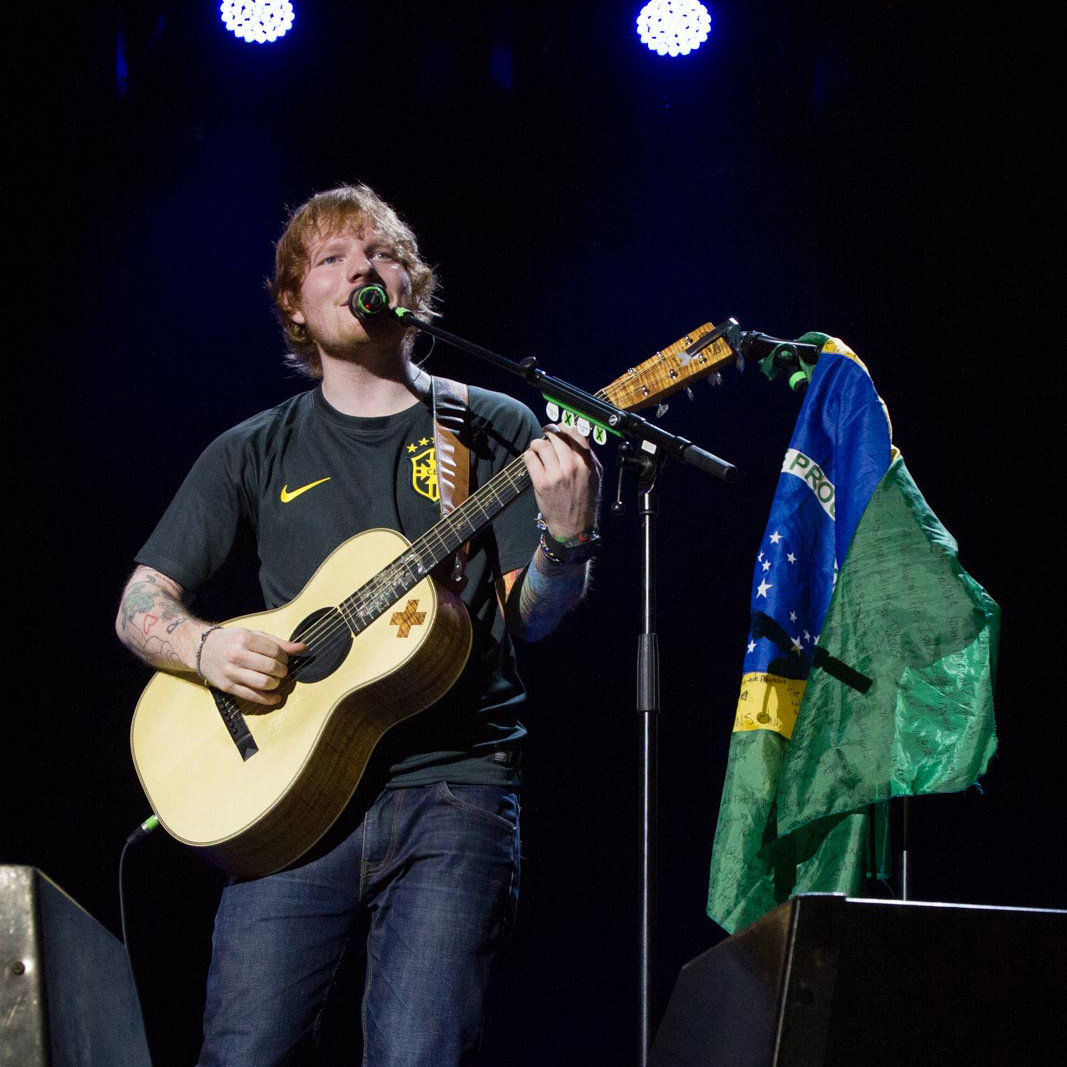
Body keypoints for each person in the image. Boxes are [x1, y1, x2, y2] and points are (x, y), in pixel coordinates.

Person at [115, 184, 601, 1066]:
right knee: (243, 1053)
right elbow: (139, 603)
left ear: (410, 286)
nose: (360, 269)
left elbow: (532, 616)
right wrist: (207, 644)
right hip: (287, 797)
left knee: (420, 1054)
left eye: (379, 253)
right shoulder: (252, 447)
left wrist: (567, 542)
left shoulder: (492, 424)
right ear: (295, 306)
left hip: (457, 786)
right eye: (330, 259)